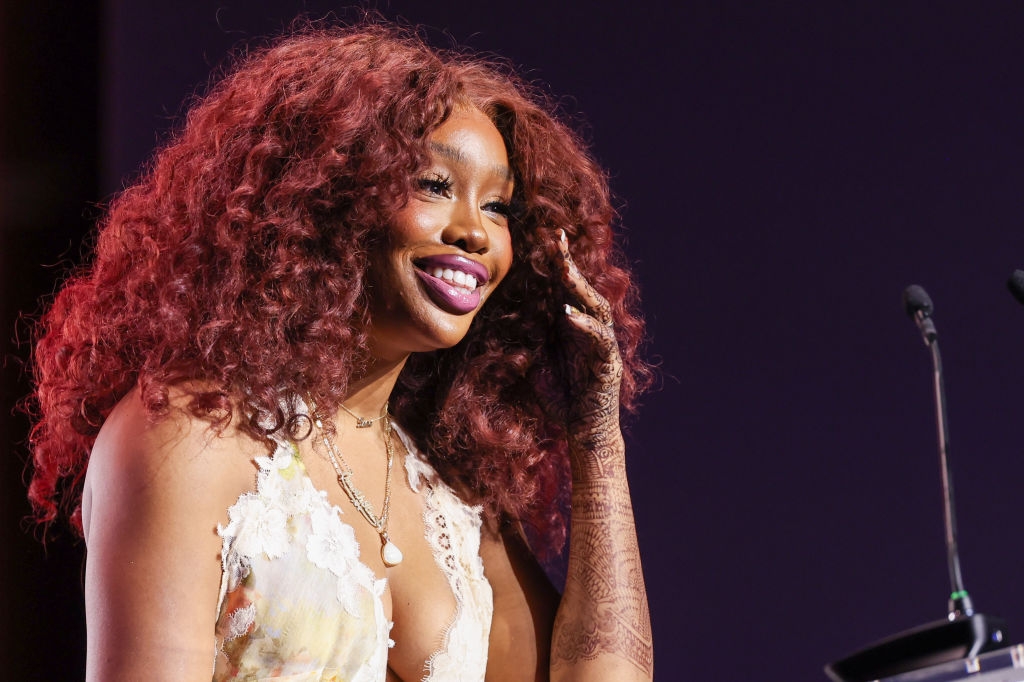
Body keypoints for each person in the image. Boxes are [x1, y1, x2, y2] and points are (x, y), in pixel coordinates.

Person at [27, 20, 653, 681]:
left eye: (498, 207)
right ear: (326, 196)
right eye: (435, 185)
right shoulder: (190, 438)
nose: (474, 232)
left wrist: (598, 440)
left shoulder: (452, 494)